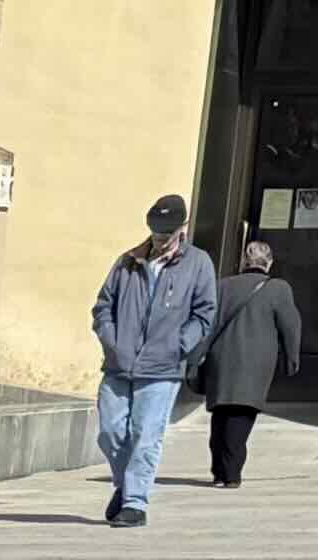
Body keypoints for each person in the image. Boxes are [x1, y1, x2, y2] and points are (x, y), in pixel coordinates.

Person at [89, 194, 219, 527]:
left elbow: (205, 313)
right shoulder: (127, 261)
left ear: (182, 227)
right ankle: (125, 485)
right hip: (120, 363)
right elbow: (103, 306)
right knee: (110, 431)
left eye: (167, 231)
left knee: (145, 433)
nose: (160, 237)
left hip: (163, 367)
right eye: (156, 230)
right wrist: (111, 340)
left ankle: (135, 503)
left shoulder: (198, 263)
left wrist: (180, 345)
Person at [199, 238, 306, 487]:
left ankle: (218, 472)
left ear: (244, 262)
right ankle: (231, 473)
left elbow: (207, 322)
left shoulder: (222, 286)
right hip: (255, 363)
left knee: (221, 413)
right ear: (269, 263)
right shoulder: (278, 288)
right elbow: (291, 326)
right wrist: (292, 357)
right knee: (241, 414)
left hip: (221, 360)